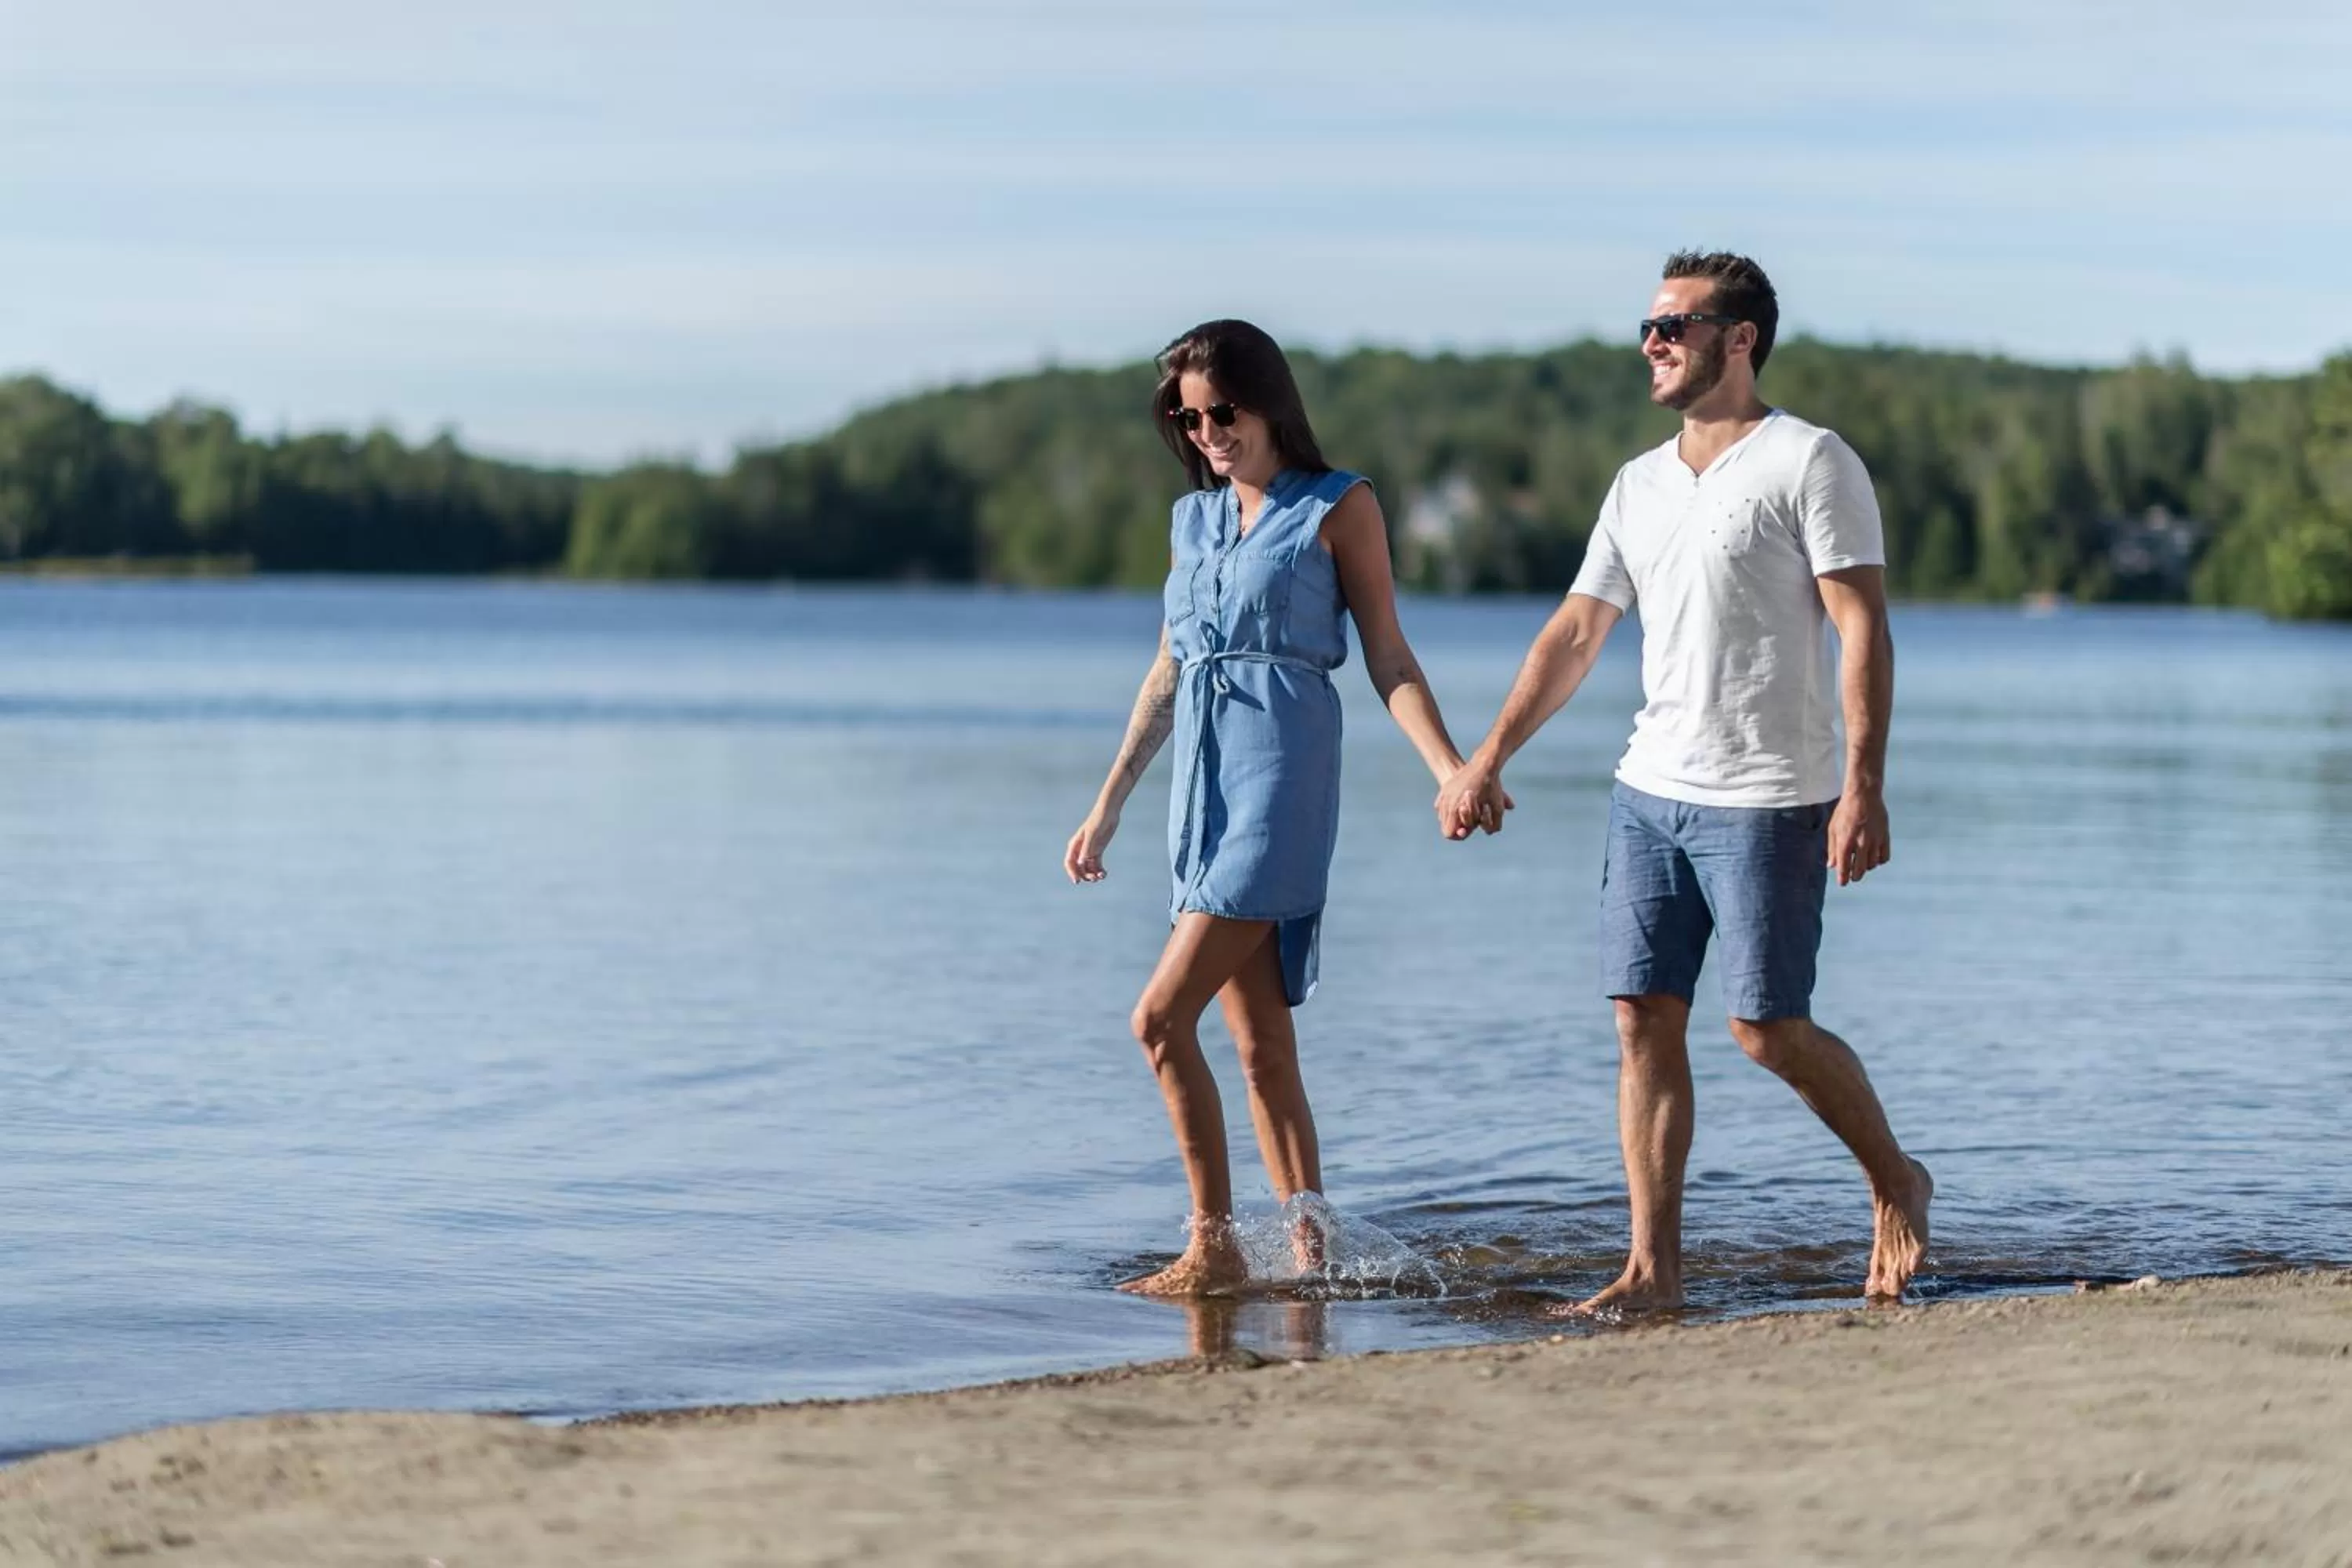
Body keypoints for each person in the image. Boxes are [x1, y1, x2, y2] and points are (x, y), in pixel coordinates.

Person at [1439, 252, 1933, 1310]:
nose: (1651, 342)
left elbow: (1861, 627)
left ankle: (1896, 1178)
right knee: (1641, 1020)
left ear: (1738, 338)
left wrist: (1866, 783)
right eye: (1649, 326)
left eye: (1674, 324)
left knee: (1766, 1029)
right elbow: (1576, 631)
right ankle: (1652, 1272)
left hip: (1769, 797)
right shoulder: (1639, 483)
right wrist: (1486, 759)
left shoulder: (1811, 461)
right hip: (1649, 792)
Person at [1065, 318, 1492, 1297]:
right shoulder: (1194, 520)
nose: (1210, 433)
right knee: (1260, 1050)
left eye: (1225, 412)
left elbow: (1388, 654)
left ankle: (1211, 1243)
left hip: (1280, 784)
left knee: (1157, 1020)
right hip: (1200, 796)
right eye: (1190, 419)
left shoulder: (1339, 505)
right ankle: (1314, 1261)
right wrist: (1109, 803)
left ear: (1267, 401)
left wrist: (1450, 768)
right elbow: (1171, 667)